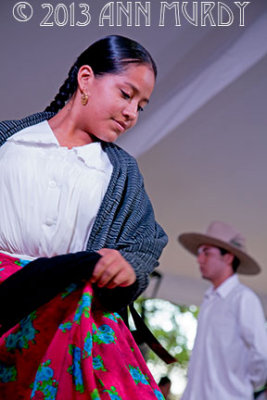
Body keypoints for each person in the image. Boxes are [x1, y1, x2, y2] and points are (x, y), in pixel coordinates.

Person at [0, 35, 168, 399]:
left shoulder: (121, 171)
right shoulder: (8, 142)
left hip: (67, 325)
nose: (132, 113)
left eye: (141, 106)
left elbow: (146, 241)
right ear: (86, 79)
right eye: (127, 94)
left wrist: (127, 265)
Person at [178, 221, 267, 400]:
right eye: (199, 252)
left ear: (228, 258)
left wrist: (240, 385)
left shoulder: (243, 298)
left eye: (207, 252)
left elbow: (262, 354)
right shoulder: (209, 299)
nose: (199, 259)